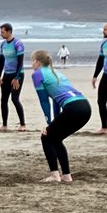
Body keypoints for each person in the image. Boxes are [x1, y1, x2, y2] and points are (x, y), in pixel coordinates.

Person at [32, 50, 92, 182]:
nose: (32, 64)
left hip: (73, 108)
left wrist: (48, 124)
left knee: (46, 137)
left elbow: (44, 101)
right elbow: (56, 101)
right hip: (85, 107)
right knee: (56, 137)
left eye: (33, 61)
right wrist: (53, 123)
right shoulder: (56, 72)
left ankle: (54, 175)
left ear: (37, 62)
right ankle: (66, 176)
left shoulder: (37, 74)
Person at [0, 23, 27, 130]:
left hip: (17, 75)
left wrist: (17, 78)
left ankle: (23, 124)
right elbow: (1, 61)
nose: (1, 34)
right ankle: (4, 125)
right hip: (6, 75)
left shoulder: (18, 43)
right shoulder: (3, 44)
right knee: (3, 100)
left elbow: (20, 62)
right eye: (1, 32)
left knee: (15, 99)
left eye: (2, 32)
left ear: (9, 32)